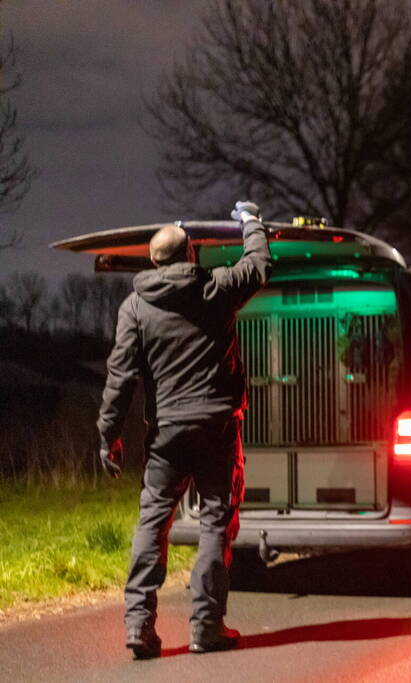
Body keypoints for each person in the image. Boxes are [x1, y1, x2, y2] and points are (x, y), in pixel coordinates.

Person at [96, 201, 272, 659]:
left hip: (167, 435)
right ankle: (206, 629)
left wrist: (108, 436)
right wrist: (250, 222)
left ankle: (139, 627)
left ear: (152, 261)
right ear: (191, 255)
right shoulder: (215, 288)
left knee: (152, 525)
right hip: (216, 428)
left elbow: (120, 377)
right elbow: (258, 264)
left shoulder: (134, 308)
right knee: (215, 522)